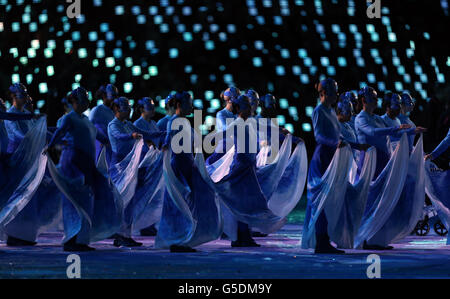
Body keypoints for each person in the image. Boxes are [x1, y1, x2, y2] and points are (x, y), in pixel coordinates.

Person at [47, 87, 121, 251]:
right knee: (73, 201)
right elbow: (58, 134)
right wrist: (49, 147)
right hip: (72, 163)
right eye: (82, 99)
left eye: (87, 100)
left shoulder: (86, 120)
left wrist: (113, 144)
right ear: (73, 101)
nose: (86, 103)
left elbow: (99, 137)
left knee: (87, 201)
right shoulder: (69, 118)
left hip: (86, 164)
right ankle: (71, 239)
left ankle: (81, 240)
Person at [156, 91, 221, 252]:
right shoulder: (175, 121)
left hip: (187, 166)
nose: (191, 106)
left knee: (191, 202)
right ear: (179, 105)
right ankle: (179, 241)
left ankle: (183, 239)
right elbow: (169, 139)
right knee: (181, 204)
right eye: (188, 103)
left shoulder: (183, 122)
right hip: (179, 167)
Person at [107, 97, 164, 247]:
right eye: (126, 107)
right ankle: (119, 234)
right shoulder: (113, 124)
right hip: (119, 167)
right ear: (117, 109)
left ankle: (125, 234)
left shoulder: (128, 124)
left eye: (129, 107)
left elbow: (145, 133)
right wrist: (130, 136)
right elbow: (119, 136)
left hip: (130, 167)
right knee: (121, 201)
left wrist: (165, 133)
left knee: (130, 202)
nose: (129, 110)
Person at [301, 78, 347, 254]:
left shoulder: (331, 111)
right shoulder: (319, 111)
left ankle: (324, 238)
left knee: (328, 200)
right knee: (321, 200)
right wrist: (335, 143)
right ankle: (321, 241)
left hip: (331, 157)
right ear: (324, 93)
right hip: (323, 159)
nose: (336, 95)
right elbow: (319, 136)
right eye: (334, 91)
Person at [89, 84, 118, 165]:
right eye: (112, 96)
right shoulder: (97, 110)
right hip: (100, 147)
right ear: (104, 95)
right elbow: (89, 128)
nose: (114, 99)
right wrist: (101, 139)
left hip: (111, 148)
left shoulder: (113, 112)